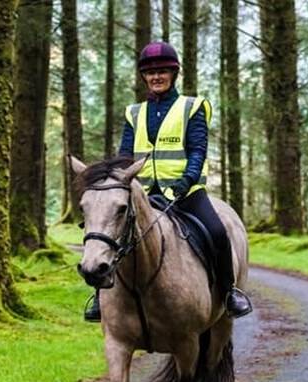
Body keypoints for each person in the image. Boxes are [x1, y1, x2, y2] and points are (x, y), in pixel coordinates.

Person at [84, 41, 252, 322]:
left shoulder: (192, 107)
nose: (156, 77)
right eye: (150, 73)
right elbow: (126, 154)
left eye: (162, 71)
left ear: (173, 74)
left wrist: (187, 179)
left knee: (217, 232)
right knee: (108, 233)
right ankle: (100, 298)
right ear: (143, 77)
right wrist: (119, 180)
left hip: (186, 193)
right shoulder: (134, 113)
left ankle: (228, 293)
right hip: (144, 194)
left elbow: (198, 148)